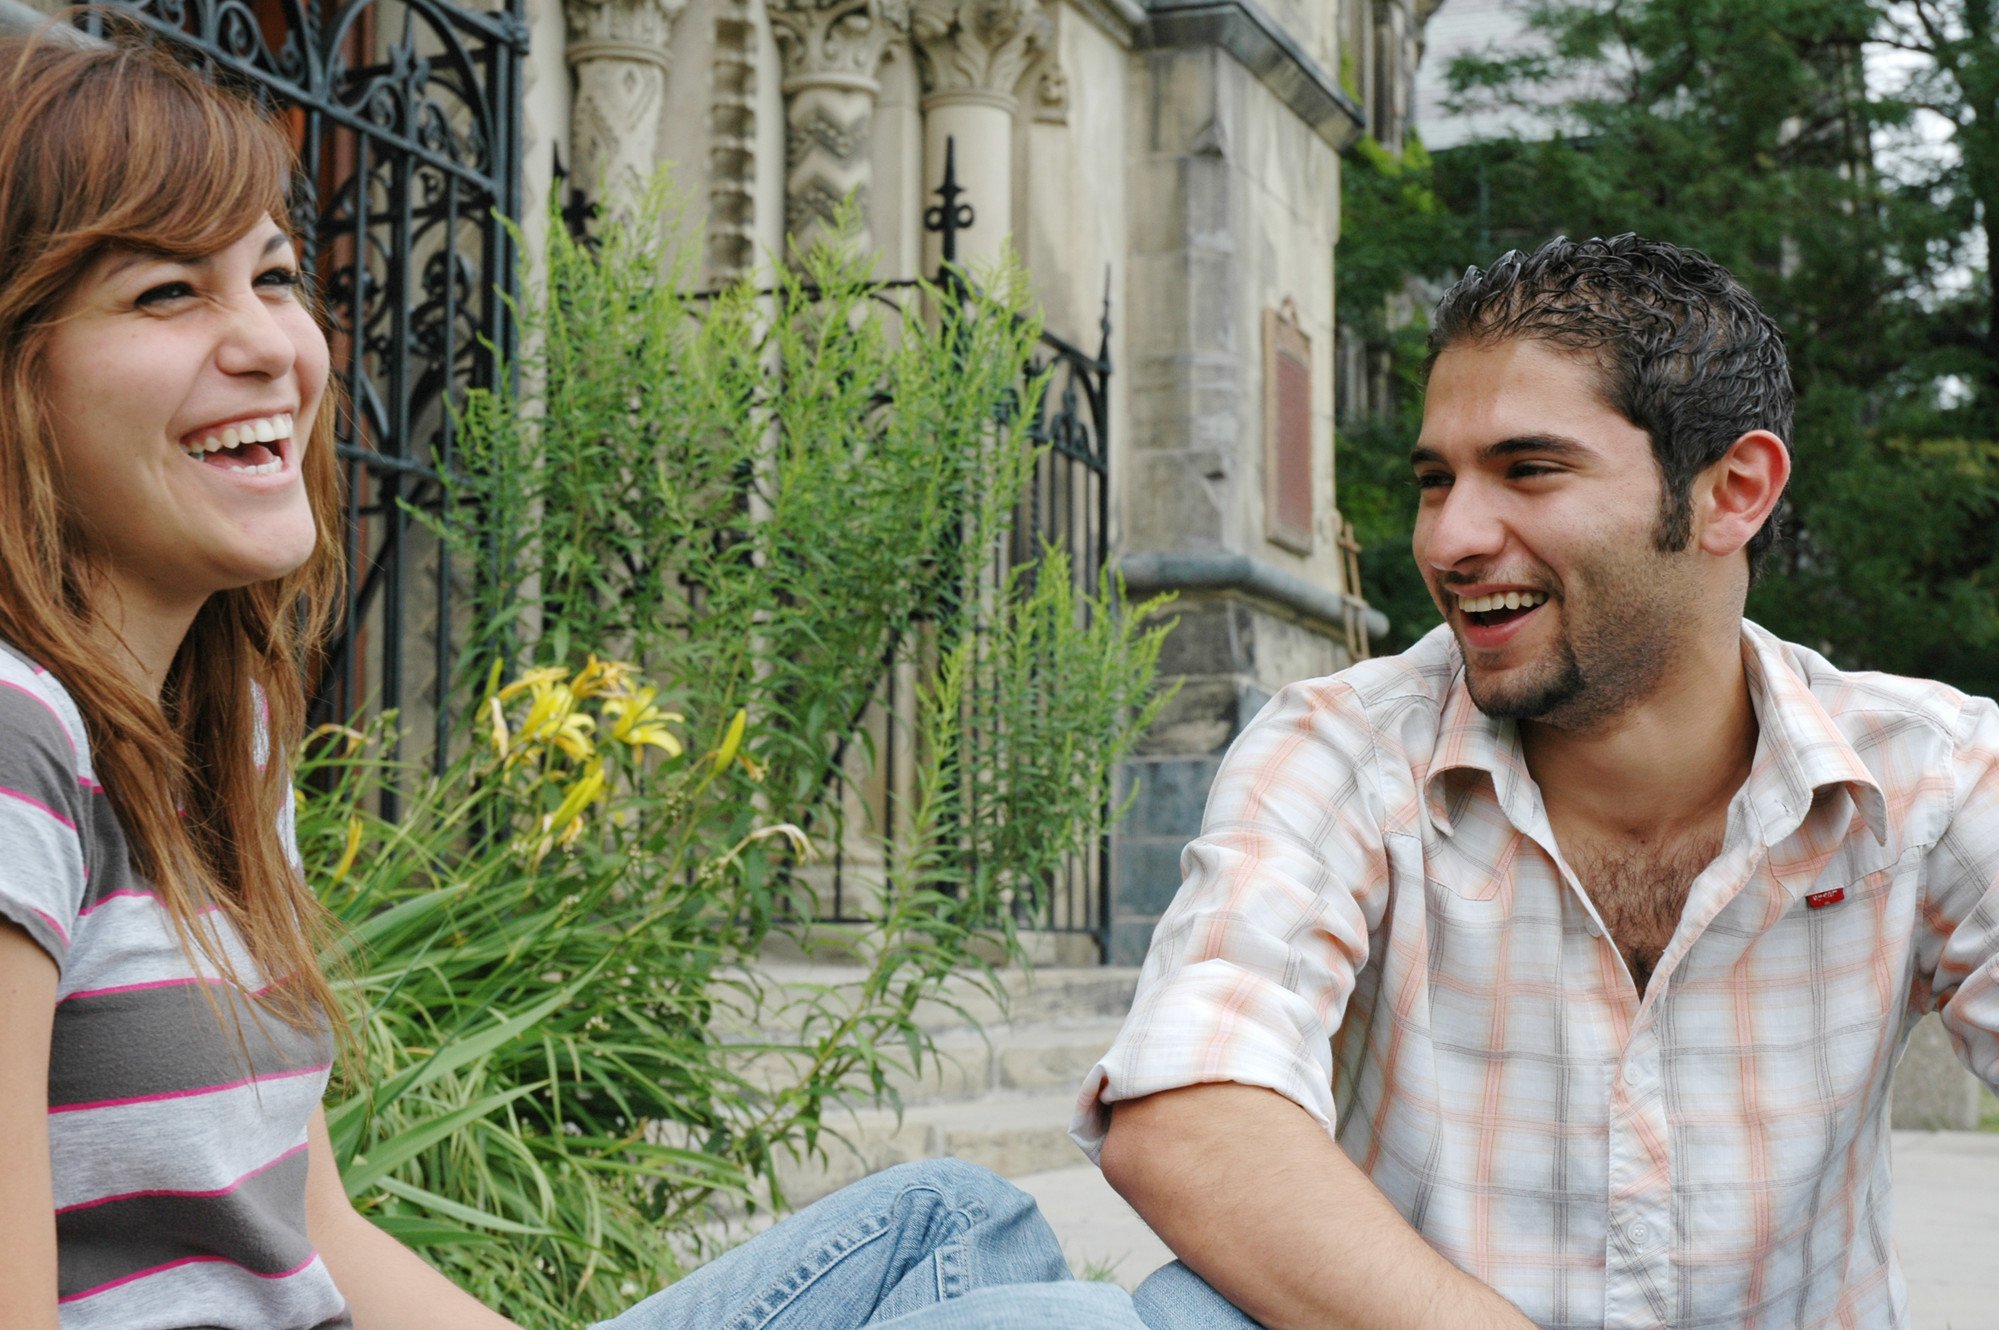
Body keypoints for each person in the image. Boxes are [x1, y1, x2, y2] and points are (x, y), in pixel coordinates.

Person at [0, 29, 1149, 1330]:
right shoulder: (18, 734)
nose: (271, 343)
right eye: (166, 293)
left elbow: (314, 1229)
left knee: (953, 1217)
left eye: (273, 275)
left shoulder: (229, 728)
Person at [1074, 234, 1999, 1330]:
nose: (1449, 538)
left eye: (1527, 469)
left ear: (1730, 492)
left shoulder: (1927, 775)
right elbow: (1189, 1110)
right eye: (1434, 481)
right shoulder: (1339, 748)